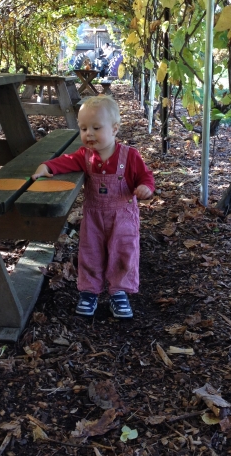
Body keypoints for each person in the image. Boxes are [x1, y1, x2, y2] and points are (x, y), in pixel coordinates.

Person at [32, 95, 154, 319]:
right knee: (90, 252)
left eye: (96, 128)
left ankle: (119, 292)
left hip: (123, 217)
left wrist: (146, 188)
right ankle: (89, 291)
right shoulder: (85, 156)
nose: (89, 134)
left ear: (115, 129)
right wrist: (46, 166)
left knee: (123, 252)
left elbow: (145, 177)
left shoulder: (130, 156)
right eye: (83, 128)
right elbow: (65, 161)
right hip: (93, 216)